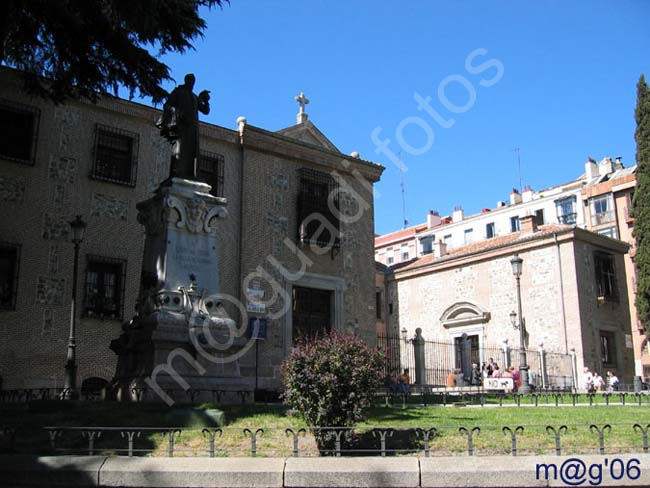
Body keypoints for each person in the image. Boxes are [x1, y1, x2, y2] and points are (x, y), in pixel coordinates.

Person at [158, 73, 211, 179]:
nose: (192, 83)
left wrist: (206, 101)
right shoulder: (177, 92)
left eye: (193, 81)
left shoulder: (194, 97)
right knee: (179, 150)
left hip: (193, 129)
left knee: (192, 152)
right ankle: (177, 172)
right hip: (181, 127)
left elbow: (205, 111)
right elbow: (167, 105)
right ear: (186, 81)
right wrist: (178, 112)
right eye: (190, 81)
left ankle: (190, 174)